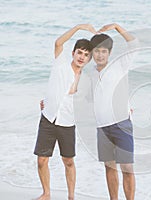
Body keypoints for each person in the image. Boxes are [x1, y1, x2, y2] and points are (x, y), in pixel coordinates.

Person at [34, 24, 96, 200]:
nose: (82, 57)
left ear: (89, 59)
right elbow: (58, 43)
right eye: (79, 53)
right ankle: (46, 193)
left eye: (86, 55)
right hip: (49, 118)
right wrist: (79, 27)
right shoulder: (60, 64)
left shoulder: (87, 79)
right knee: (41, 160)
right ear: (73, 53)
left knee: (68, 161)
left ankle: (71, 196)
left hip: (68, 122)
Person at [89, 23, 139, 200]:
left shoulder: (120, 65)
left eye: (103, 51)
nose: (100, 55)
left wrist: (117, 27)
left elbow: (134, 44)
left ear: (109, 53)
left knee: (127, 168)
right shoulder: (92, 72)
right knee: (109, 168)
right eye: (96, 51)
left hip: (121, 124)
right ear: (92, 53)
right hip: (102, 128)